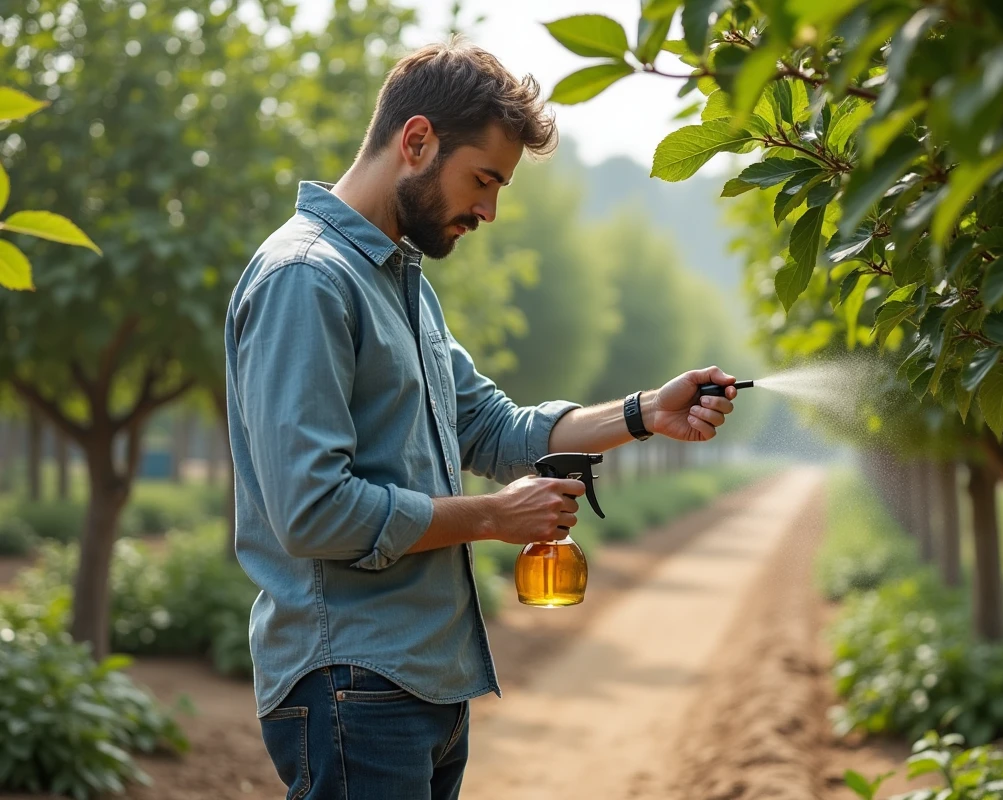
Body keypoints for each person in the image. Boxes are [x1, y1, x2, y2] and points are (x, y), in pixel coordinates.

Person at [224, 38, 740, 800]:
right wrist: (494, 517)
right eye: (485, 179)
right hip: (352, 683)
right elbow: (311, 512)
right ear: (417, 141)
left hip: (422, 682)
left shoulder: (403, 285)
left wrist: (643, 414)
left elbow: (492, 429)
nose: (490, 211)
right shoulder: (307, 280)